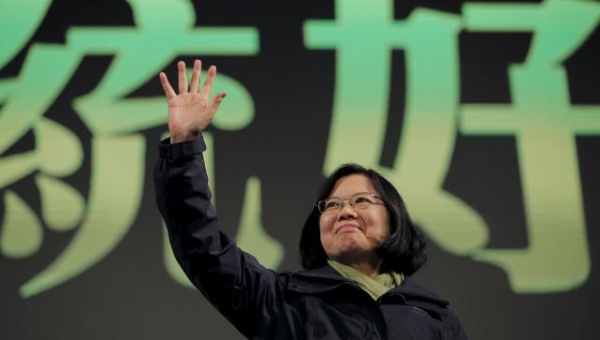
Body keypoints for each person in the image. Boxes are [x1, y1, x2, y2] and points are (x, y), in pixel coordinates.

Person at [154, 59, 468, 340]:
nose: (345, 211)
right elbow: (202, 246)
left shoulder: (435, 317)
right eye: (332, 205)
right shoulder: (282, 301)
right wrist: (184, 146)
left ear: (394, 218)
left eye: (361, 201)